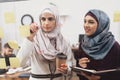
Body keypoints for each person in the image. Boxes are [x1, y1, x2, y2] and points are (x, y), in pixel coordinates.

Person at [17, 3, 76, 80]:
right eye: (43, 19)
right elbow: (20, 63)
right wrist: (29, 39)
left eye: (50, 19)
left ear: (56, 20)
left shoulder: (64, 41)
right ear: (40, 20)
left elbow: (70, 62)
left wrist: (66, 68)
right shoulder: (34, 39)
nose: (46, 23)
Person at [76, 9, 120, 80]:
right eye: (85, 21)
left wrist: (100, 78)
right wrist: (81, 66)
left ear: (101, 25)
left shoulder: (114, 46)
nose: (86, 25)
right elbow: (79, 73)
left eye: (91, 22)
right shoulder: (83, 43)